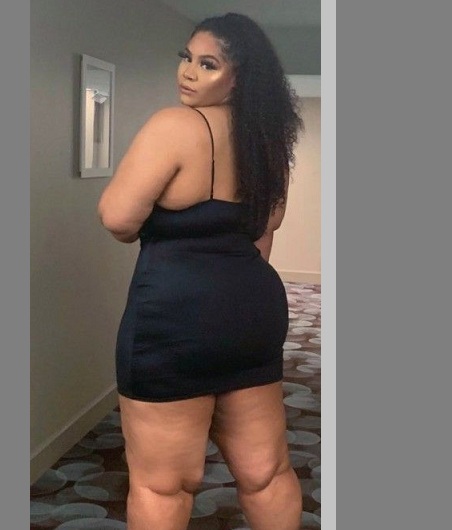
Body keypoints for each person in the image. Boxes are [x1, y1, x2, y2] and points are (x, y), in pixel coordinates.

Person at [97, 12, 304, 530]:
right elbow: (265, 232)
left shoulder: (175, 126)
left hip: (175, 317)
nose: (188, 72)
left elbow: (118, 219)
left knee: (162, 485)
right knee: (267, 473)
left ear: (240, 77)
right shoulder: (268, 142)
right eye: (186, 58)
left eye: (208, 64)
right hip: (253, 313)